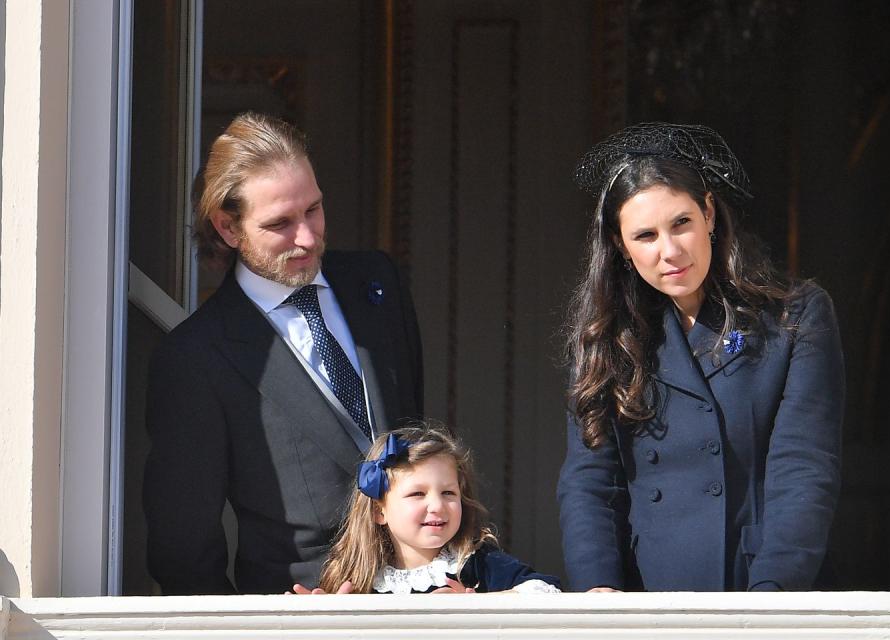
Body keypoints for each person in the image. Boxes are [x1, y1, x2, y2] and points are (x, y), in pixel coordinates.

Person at [143, 112, 423, 594]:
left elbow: (416, 437)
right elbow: (183, 549)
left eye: (313, 210)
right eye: (280, 223)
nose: (308, 238)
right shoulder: (196, 357)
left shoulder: (377, 282)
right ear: (228, 228)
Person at [556, 123, 844, 592]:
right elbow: (590, 481)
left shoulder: (794, 316)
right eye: (645, 235)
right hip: (646, 595)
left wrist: (773, 596)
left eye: (681, 223)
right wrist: (598, 593)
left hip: (760, 585)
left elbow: (804, 467)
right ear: (620, 247)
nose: (669, 252)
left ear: (708, 212)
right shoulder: (605, 339)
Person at [291, 424, 561, 594]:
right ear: (378, 511)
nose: (437, 505)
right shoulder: (359, 580)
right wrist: (322, 618)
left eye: (448, 493)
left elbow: (545, 590)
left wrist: (480, 608)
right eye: (417, 494)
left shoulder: (474, 562)